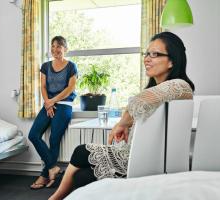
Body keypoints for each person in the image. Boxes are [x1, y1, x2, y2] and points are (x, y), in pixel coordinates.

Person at [48, 31, 195, 200]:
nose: (147, 58)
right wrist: (128, 124)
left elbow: (137, 102)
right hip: (135, 154)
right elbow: (143, 106)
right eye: (147, 54)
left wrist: (122, 123)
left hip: (141, 160)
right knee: (81, 176)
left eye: (155, 54)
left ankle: (55, 198)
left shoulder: (180, 86)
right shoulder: (158, 92)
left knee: (81, 152)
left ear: (172, 61)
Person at [29, 36, 78, 189]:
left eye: (59, 46)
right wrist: (48, 103)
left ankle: (44, 176)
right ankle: (53, 167)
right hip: (48, 105)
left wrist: (53, 101)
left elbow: (70, 88)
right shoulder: (45, 66)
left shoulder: (71, 66)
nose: (55, 49)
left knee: (54, 140)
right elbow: (43, 86)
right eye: (53, 46)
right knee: (33, 135)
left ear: (65, 49)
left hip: (64, 106)